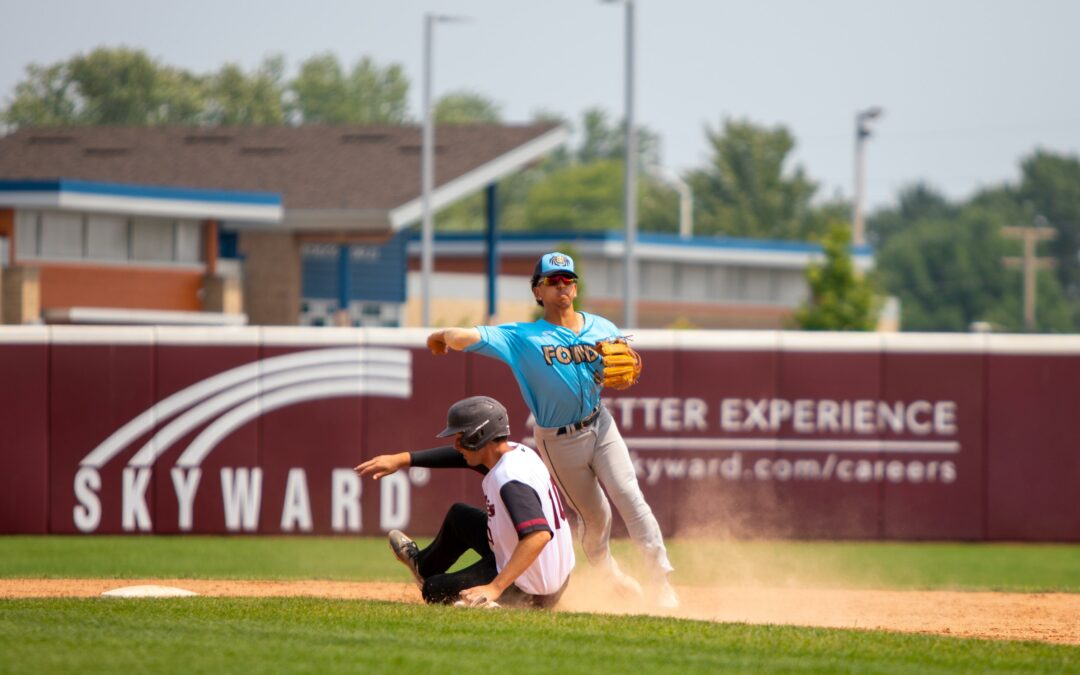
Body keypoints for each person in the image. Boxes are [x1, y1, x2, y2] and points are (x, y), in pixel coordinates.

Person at [424, 251, 679, 608]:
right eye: (553, 281)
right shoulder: (522, 337)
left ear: (574, 289)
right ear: (537, 292)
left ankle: (660, 580)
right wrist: (440, 335)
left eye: (568, 280)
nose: (562, 286)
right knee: (597, 517)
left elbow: (626, 366)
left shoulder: (602, 327)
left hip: (600, 424)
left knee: (629, 495)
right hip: (561, 442)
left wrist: (630, 369)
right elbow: (469, 335)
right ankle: (609, 575)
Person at [354, 395, 574, 609]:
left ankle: (496, 602)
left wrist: (494, 587)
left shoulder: (509, 478)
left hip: (532, 588)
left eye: (461, 437)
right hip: (546, 569)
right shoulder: (515, 453)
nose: (457, 445)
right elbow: (458, 457)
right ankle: (423, 565)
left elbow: (538, 536)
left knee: (433, 590)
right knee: (459, 517)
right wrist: (403, 459)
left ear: (478, 436)